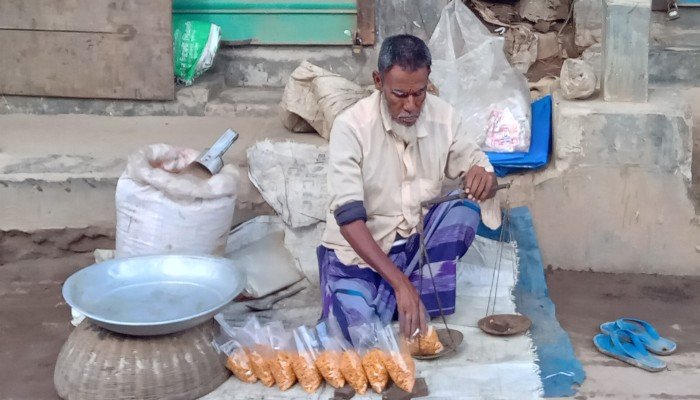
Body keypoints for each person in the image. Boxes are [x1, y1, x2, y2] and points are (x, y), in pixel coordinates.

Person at [318, 34, 502, 341]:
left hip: (414, 245)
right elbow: (348, 219)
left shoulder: (443, 116)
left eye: (419, 93)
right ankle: (400, 291)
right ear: (379, 81)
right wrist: (401, 284)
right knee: (353, 334)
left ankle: (401, 295)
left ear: (428, 82)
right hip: (363, 252)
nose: (411, 105)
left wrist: (484, 178)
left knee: (463, 210)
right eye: (400, 94)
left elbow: (479, 165)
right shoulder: (351, 127)